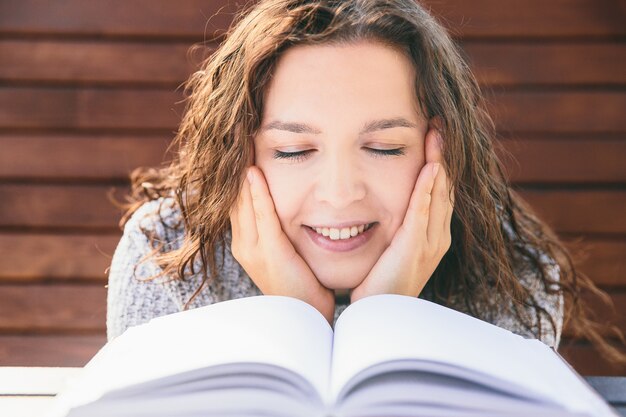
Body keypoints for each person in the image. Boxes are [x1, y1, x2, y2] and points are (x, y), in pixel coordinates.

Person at [107, 0, 623, 363]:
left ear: (439, 146)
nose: (339, 192)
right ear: (239, 152)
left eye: (383, 148)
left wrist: (384, 322)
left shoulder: (510, 270)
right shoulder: (167, 254)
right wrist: (295, 322)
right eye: (293, 150)